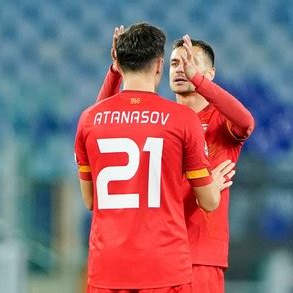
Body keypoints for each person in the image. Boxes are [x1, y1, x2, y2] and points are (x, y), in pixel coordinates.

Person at [96, 28, 255, 293]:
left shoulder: (220, 123)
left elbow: (246, 122)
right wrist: (116, 71)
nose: (181, 69)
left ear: (210, 74)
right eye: (174, 63)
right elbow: (103, 122)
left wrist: (200, 82)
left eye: (190, 62)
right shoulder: (160, 119)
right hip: (155, 254)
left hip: (201, 256)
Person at [74, 23, 221, 293]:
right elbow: (209, 202)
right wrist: (214, 182)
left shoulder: (88, 120)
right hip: (163, 268)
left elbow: (91, 200)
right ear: (159, 65)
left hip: (107, 267)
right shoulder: (181, 119)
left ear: (117, 63)